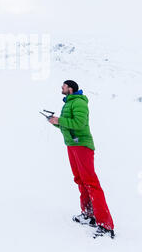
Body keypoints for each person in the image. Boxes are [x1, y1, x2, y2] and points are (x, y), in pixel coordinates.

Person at [49, 80, 115, 239]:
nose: (61, 88)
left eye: (63, 86)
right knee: (80, 179)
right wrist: (55, 122)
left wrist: (59, 120)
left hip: (82, 145)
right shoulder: (69, 103)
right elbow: (68, 125)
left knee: (91, 182)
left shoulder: (79, 102)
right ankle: (88, 214)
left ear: (70, 88)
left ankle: (106, 225)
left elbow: (79, 123)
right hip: (72, 145)